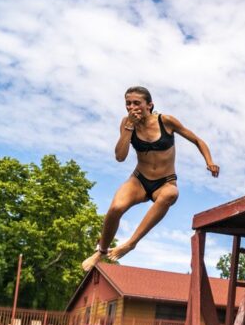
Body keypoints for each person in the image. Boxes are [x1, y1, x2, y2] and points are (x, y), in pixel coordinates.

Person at [82, 86, 219, 271]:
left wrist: (209, 161)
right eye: (128, 104)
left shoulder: (166, 121)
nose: (132, 107)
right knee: (115, 208)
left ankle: (131, 243)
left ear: (149, 105)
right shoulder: (126, 123)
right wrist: (129, 127)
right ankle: (101, 252)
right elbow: (120, 157)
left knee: (172, 194)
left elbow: (197, 140)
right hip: (139, 179)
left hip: (165, 181)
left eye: (137, 103)